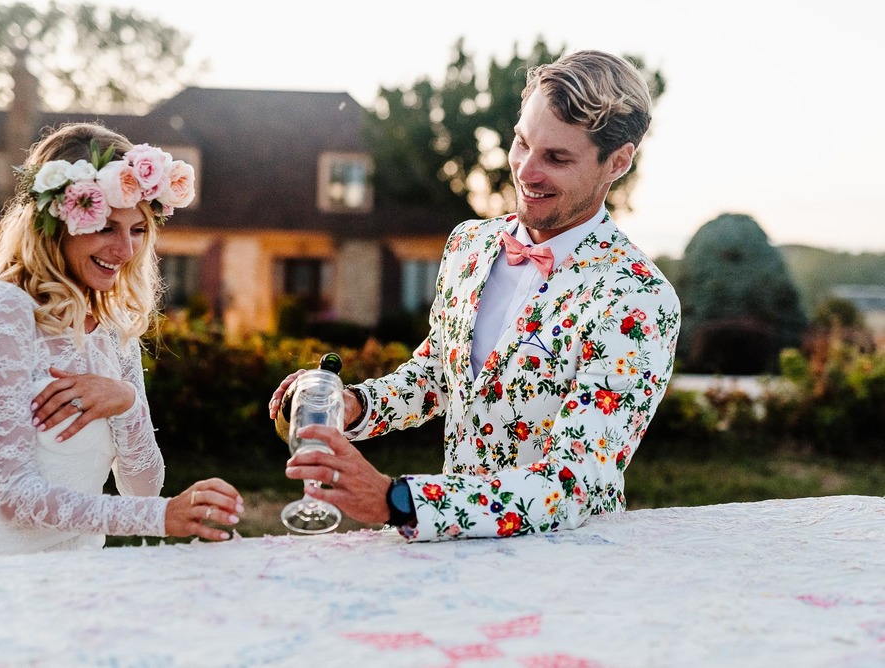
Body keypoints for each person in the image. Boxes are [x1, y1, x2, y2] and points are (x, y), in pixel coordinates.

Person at [270, 50, 681, 541]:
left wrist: (396, 500)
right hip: (455, 557)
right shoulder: (470, 243)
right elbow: (439, 375)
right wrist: (355, 404)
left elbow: (575, 484)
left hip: (569, 566)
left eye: (556, 158)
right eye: (522, 143)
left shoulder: (638, 298)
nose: (526, 172)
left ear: (617, 162)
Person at [0, 122, 242, 558]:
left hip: (80, 579)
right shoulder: (0, 310)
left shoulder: (114, 330)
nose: (125, 249)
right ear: (56, 222)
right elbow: (13, 497)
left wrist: (126, 403)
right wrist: (160, 517)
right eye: (106, 228)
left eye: (138, 229)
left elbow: (142, 487)